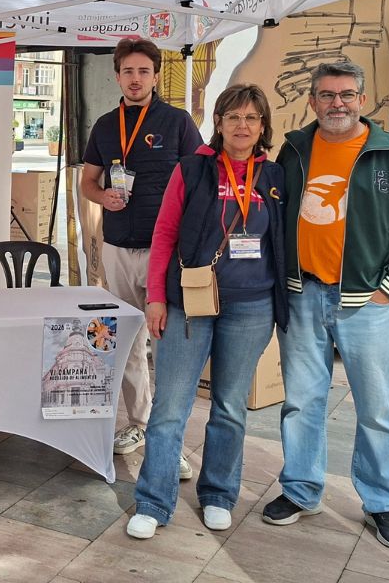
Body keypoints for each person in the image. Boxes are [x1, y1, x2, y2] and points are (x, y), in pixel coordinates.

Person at [261, 61, 389, 551]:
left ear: (362, 99)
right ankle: (300, 490)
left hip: (366, 303)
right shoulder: (295, 149)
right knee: (301, 401)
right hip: (302, 295)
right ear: (313, 101)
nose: (336, 103)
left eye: (346, 94)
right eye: (326, 95)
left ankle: (382, 502)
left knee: (376, 407)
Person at [126, 84, 288, 539]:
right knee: (170, 407)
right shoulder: (192, 169)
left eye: (251, 118)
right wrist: (156, 297)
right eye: (233, 117)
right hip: (189, 303)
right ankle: (153, 501)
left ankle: (218, 493)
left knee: (230, 407)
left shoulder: (275, 176)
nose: (242, 126)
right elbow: (164, 233)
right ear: (218, 122)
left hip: (252, 306)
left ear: (262, 125)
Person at [80, 38, 203, 477]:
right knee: (129, 342)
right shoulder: (104, 126)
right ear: (117, 76)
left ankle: (170, 443)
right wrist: (102, 198)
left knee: (167, 347)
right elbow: (87, 183)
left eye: (143, 72)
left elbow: (199, 182)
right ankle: (140, 423)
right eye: (128, 72)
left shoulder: (178, 122)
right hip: (117, 248)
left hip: (163, 252)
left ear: (155, 76)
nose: (135, 79)